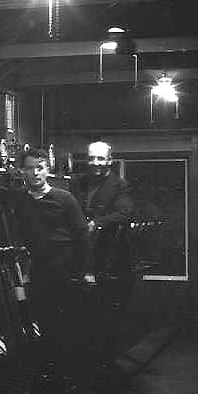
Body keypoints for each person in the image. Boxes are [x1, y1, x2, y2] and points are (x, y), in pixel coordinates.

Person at [0, 148, 94, 394]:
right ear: (23, 172)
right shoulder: (20, 199)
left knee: (69, 326)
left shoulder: (65, 199)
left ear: (48, 170)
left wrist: (88, 272)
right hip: (41, 271)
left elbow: (83, 237)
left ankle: (74, 382)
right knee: (45, 323)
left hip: (67, 270)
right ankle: (52, 378)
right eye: (30, 168)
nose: (35, 173)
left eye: (40, 167)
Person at [70, 140, 135, 379]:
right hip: (79, 258)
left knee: (106, 317)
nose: (95, 163)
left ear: (109, 160)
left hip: (109, 260)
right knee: (81, 317)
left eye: (100, 159)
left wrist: (96, 224)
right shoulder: (77, 182)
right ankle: (84, 371)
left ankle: (105, 369)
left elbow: (125, 213)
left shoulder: (120, 185)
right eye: (92, 158)